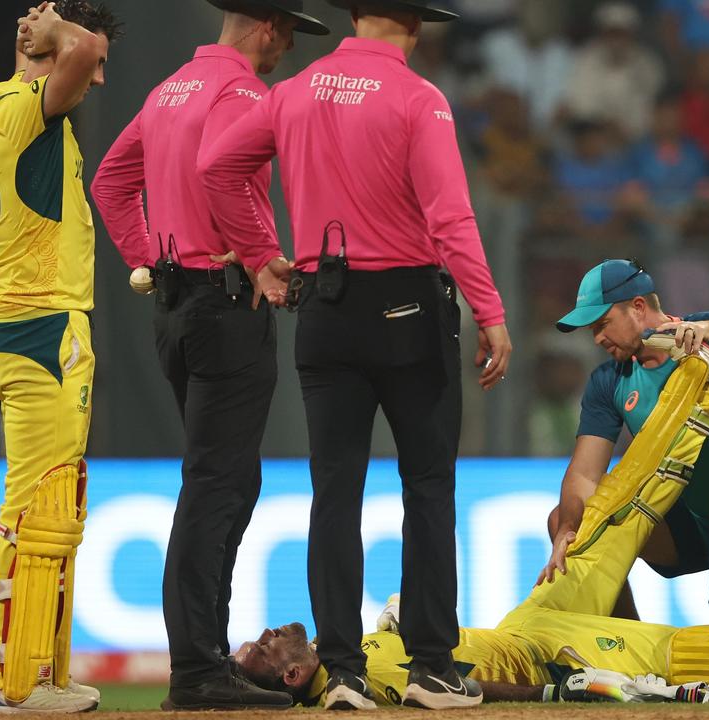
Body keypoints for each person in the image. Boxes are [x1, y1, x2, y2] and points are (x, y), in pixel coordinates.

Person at [232, 349, 709, 705]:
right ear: (293, 676)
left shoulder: (348, 657)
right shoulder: (356, 691)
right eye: (258, 653)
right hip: (546, 655)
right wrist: (553, 690)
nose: (263, 635)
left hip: (530, 619)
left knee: (604, 516)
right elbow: (463, 687)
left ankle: (708, 389)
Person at [198, 0, 513, 710]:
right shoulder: (419, 98)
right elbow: (450, 216)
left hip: (324, 311)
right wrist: (489, 311)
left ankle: (341, 672)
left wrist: (261, 257)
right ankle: (432, 668)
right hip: (406, 308)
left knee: (334, 494)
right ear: (415, 20)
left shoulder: (294, 92)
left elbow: (217, 167)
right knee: (427, 487)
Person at [89, 0, 329, 710]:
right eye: (286, 33)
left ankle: (207, 658)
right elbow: (221, 174)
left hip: (176, 308)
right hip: (227, 306)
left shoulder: (170, 89)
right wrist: (259, 258)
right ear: (267, 28)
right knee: (215, 487)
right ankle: (196, 672)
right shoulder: (244, 93)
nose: (286, 46)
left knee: (226, 482)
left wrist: (148, 261)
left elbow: (111, 182)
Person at [540, 259, 709, 645]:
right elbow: (585, 475)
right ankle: (627, 654)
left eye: (601, 324)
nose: (596, 339)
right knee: (570, 520)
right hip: (689, 517)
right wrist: (569, 531)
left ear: (638, 307)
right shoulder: (608, 381)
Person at [0, 1, 121, 713]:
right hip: (37, 329)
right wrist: (56, 27)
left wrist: (55, 32)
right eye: (91, 70)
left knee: (53, 506)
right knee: (34, 510)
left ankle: (44, 675)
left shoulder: (20, 112)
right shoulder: (28, 106)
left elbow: (85, 51)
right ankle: (11, 683)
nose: (96, 79)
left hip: (31, 324)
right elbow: (87, 47)